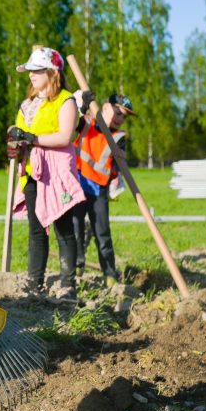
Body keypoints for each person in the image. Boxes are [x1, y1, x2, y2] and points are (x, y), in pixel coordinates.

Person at [6, 47, 85, 303]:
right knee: (36, 230)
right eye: (30, 71)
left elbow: (65, 136)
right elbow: (17, 132)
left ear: (52, 73)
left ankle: (67, 286)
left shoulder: (65, 100)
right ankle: (34, 283)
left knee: (63, 229)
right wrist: (14, 142)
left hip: (57, 173)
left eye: (36, 70)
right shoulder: (27, 104)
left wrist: (32, 138)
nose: (31, 75)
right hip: (31, 170)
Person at [72, 93, 136, 286]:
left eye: (123, 116)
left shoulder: (118, 137)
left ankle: (109, 274)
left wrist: (119, 160)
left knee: (102, 233)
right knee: (75, 228)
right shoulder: (87, 122)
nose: (119, 118)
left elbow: (117, 166)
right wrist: (83, 105)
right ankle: (75, 268)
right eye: (117, 112)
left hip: (98, 190)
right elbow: (72, 123)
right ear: (106, 108)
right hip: (77, 184)